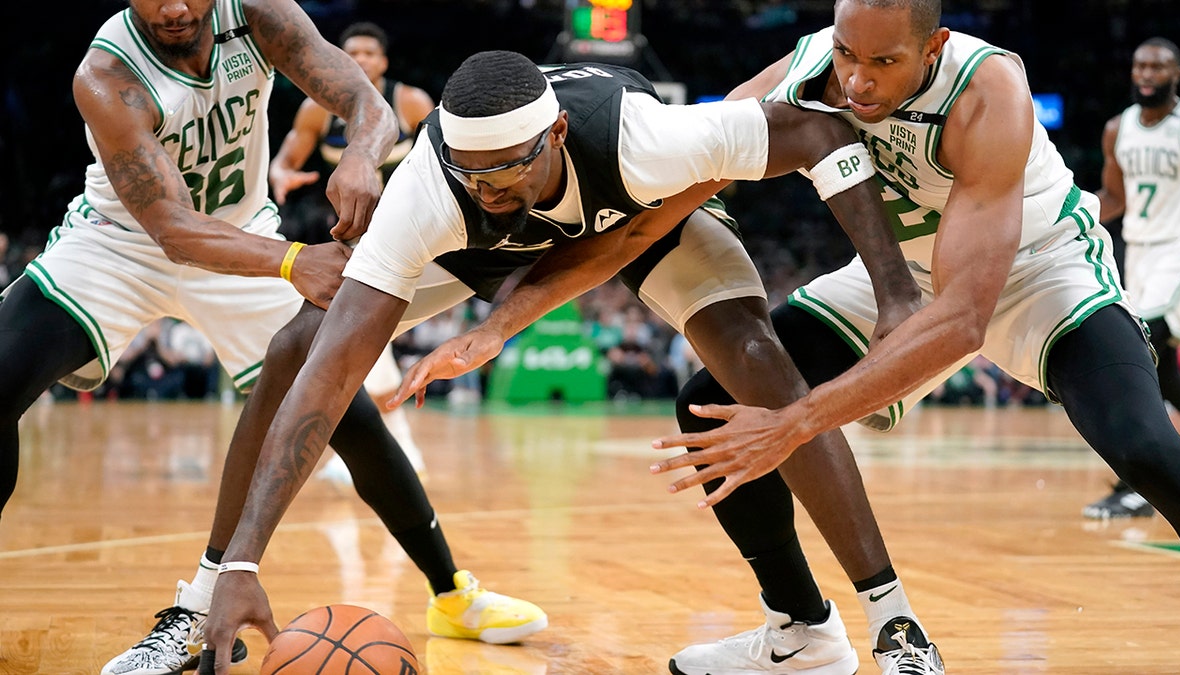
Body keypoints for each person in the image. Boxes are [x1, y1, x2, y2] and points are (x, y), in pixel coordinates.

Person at [198, 50, 927, 675]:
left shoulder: (645, 138)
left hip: (635, 217)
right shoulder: (432, 193)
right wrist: (245, 561)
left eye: (507, 177)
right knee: (297, 350)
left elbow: (817, 130)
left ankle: (889, 621)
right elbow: (327, 378)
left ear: (556, 134)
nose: (490, 193)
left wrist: (895, 290)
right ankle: (205, 588)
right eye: (473, 179)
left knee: (753, 359)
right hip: (481, 252)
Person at [638, 1, 1180, 672]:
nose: (859, 83)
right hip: (907, 271)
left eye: (883, 62)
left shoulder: (989, 89)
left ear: (932, 46)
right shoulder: (817, 62)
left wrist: (794, 423)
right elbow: (705, 143)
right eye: (848, 54)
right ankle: (801, 632)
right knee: (711, 402)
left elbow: (964, 318)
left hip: (1040, 269)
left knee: (1143, 446)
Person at [0, 3, 544, 675]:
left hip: (245, 234)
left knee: (345, 412)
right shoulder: (107, 74)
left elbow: (367, 104)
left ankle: (450, 595)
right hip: (122, 245)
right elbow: (171, 227)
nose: (173, 8)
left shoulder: (257, 14)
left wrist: (362, 159)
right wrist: (292, 259)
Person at [270, 20, 435, 478]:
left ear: (383, 62)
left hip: (415, 234)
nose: (360, 60)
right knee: (359, 338)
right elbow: (289, 154)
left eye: (369, 53)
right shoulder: (317, 109)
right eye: (351, 53)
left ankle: (389, 446)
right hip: (357, 240)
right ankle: (396, 445)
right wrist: (280, 172)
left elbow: (449, 157)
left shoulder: (410, 101)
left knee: (357, 335)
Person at [1083, 37, 1180, 519]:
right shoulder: (1118, 129)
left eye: (1158, 66)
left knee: (1136, 353)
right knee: (1166, 376)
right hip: (1140, 254)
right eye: (1140, 66)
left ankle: (1138, 485)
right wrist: (1072, 214)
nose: (1147, 73)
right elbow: (1115, 198)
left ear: (1176, 73)